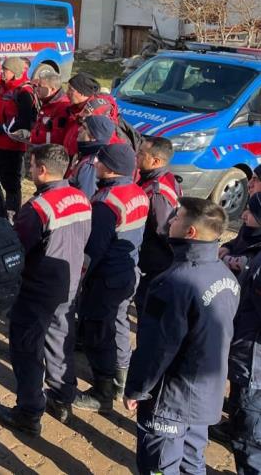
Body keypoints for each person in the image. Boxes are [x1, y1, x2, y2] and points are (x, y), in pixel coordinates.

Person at [124, 197, 237, 474]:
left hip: (170, 401)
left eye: (177, 217)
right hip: (205, 398)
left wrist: (138, 388)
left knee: (160, 466)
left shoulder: (173, 283)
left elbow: (156, 348)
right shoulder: (226, 277)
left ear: (191, 232)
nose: (171, 220)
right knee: (192, 463)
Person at [0, 144, 92, 434]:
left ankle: (29, 411)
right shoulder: (81, 197)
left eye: (32, 164)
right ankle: (62, 398)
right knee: (60, 342)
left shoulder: (38, 208)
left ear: (42, 170)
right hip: (70, 283)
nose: (29, 168)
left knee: (26, 350)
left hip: (37, 290)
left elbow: (17, 248)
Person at [73, 143, 150, 413]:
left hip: (105, 278)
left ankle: (103, 392)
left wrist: (78, 280)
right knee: (116, 326)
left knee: (98, 333)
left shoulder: (106, 202)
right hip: (128, 272)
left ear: (111, 168)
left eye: (100, 161)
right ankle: (120, 380)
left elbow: (93, 250)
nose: (95, 165)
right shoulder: (139, 193)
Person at [227, 193, 261, 473]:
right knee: (242, 416)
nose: (243, 216)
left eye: (250, 211)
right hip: (245, 352)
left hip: (254, 361)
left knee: (250, 434)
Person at [0, 56, 38, 218]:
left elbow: (22, 120)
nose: (2, 72)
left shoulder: (24, 92)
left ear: (15, 72)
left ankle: (13, 216)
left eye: (5, 70)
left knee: (10, 183)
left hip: (11, 146)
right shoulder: (4, 88)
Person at [135, 137, 181, 313]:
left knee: (146, 308)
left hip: (155, 261)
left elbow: (163, 230)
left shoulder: (157, 192)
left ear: (156, 161)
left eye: (141, 153)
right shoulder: (165, 176)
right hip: (154, 259)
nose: (137, 156)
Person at [62, 72, 119, 156]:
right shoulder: (76, 108)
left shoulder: (96, 111)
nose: (67, 93)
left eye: (71, 89)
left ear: (82, 92)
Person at [67, 115, 117, 199]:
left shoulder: (91, 163)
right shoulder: (89, 154)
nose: (79, 129)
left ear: (94, 136)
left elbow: (85, 198)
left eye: (84, 128)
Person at [220, 190, 261, 274]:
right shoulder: (249, 227)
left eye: (251, 212)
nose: (243, 215)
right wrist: (228, 247)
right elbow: (237, 242)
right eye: (247, 208)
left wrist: (226, 258)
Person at [30, 66, 72, 147]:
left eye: (40, 86)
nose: (37, 89)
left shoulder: (62, 107)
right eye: (37, 85)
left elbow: (57, 137)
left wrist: (32, 136)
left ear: (52, 89)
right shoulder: (47, 100)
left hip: (48, 153)